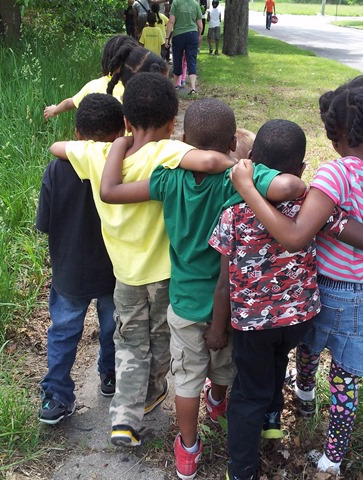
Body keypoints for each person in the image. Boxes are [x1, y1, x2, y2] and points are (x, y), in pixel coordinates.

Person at [100, 99, 309, 480]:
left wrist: (117, 146)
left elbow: (110, 191)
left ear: (183, 139)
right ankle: (217, 401)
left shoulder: (168, 178)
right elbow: (292, 185)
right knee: (225, 367)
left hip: (182, 303)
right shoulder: (236, 181)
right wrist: (244, 171)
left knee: (186, 378)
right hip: (228, 307)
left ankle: (188, 450)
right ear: (233, 141)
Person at [229, 73, 363, 476]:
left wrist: (248, 189)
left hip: (330, 289)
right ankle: (329, 447)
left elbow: (294, 237)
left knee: (312, 348)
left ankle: (313, 417)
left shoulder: (335, 175)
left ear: (339, 129)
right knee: (343, 377)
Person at [50, 73, 236, 449]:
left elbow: (57, 146)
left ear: (126, 121)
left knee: (130, 343)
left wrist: (117, 144)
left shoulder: (98, 155)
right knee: (161, 340)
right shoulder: (168, 153)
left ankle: (124, 418)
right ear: (172, 122)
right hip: (166, 276)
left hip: (126, 276)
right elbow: (213, 160)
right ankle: (153, 392)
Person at [37, 94, 125, 425]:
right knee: (112, 328)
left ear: (76, 134)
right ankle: (110, 375)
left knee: (63, 331)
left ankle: (56, 396)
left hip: (70, 271)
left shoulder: (57, 168)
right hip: (114, 270)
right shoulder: (126, 169)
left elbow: (45, 223)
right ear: (122, 132)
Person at [43, 35, 138, 121]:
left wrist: (54, 110)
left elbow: (70, 103)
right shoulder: (140, 89)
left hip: (94, 139)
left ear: (107, 60)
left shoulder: (93, 85)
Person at [165, 0, 203, 95]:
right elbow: (200, 25)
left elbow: (171, 21)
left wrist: (167, 38)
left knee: (177, 59)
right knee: (192, 61)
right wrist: (198, 36)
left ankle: (176, 85)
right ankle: (193, 88)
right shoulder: (195, 4)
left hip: (178, 35)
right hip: (192, 35)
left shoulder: (176, 3)